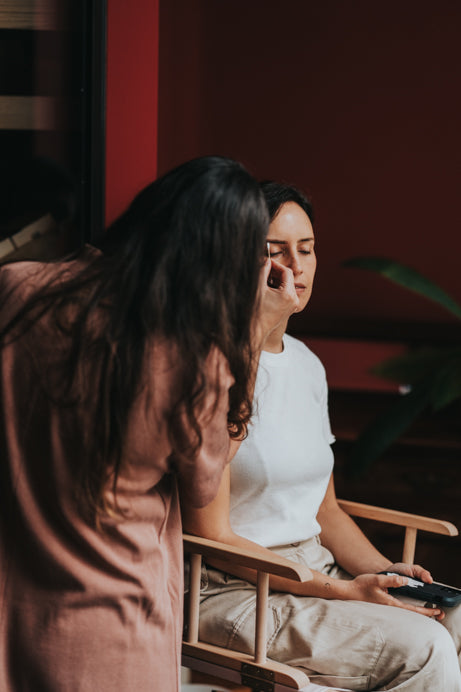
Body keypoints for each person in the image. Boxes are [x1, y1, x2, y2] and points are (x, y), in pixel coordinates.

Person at [0, 157, 297, 692]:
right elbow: (205, 487)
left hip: (12, 610)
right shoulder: (194, 364)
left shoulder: (18, 289)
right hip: (113, 627)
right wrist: (250, 333)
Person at [182, 181, 461, 691]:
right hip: (235, 586)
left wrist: (385, 574)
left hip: (314, 569)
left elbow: (324, 510)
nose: (297, 265)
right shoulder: (208, 365)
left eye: (307, 250)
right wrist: (341, 591)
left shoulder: (308, 365)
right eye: (275, 251)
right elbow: (211, 536)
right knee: (424, 649)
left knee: (447, 613)